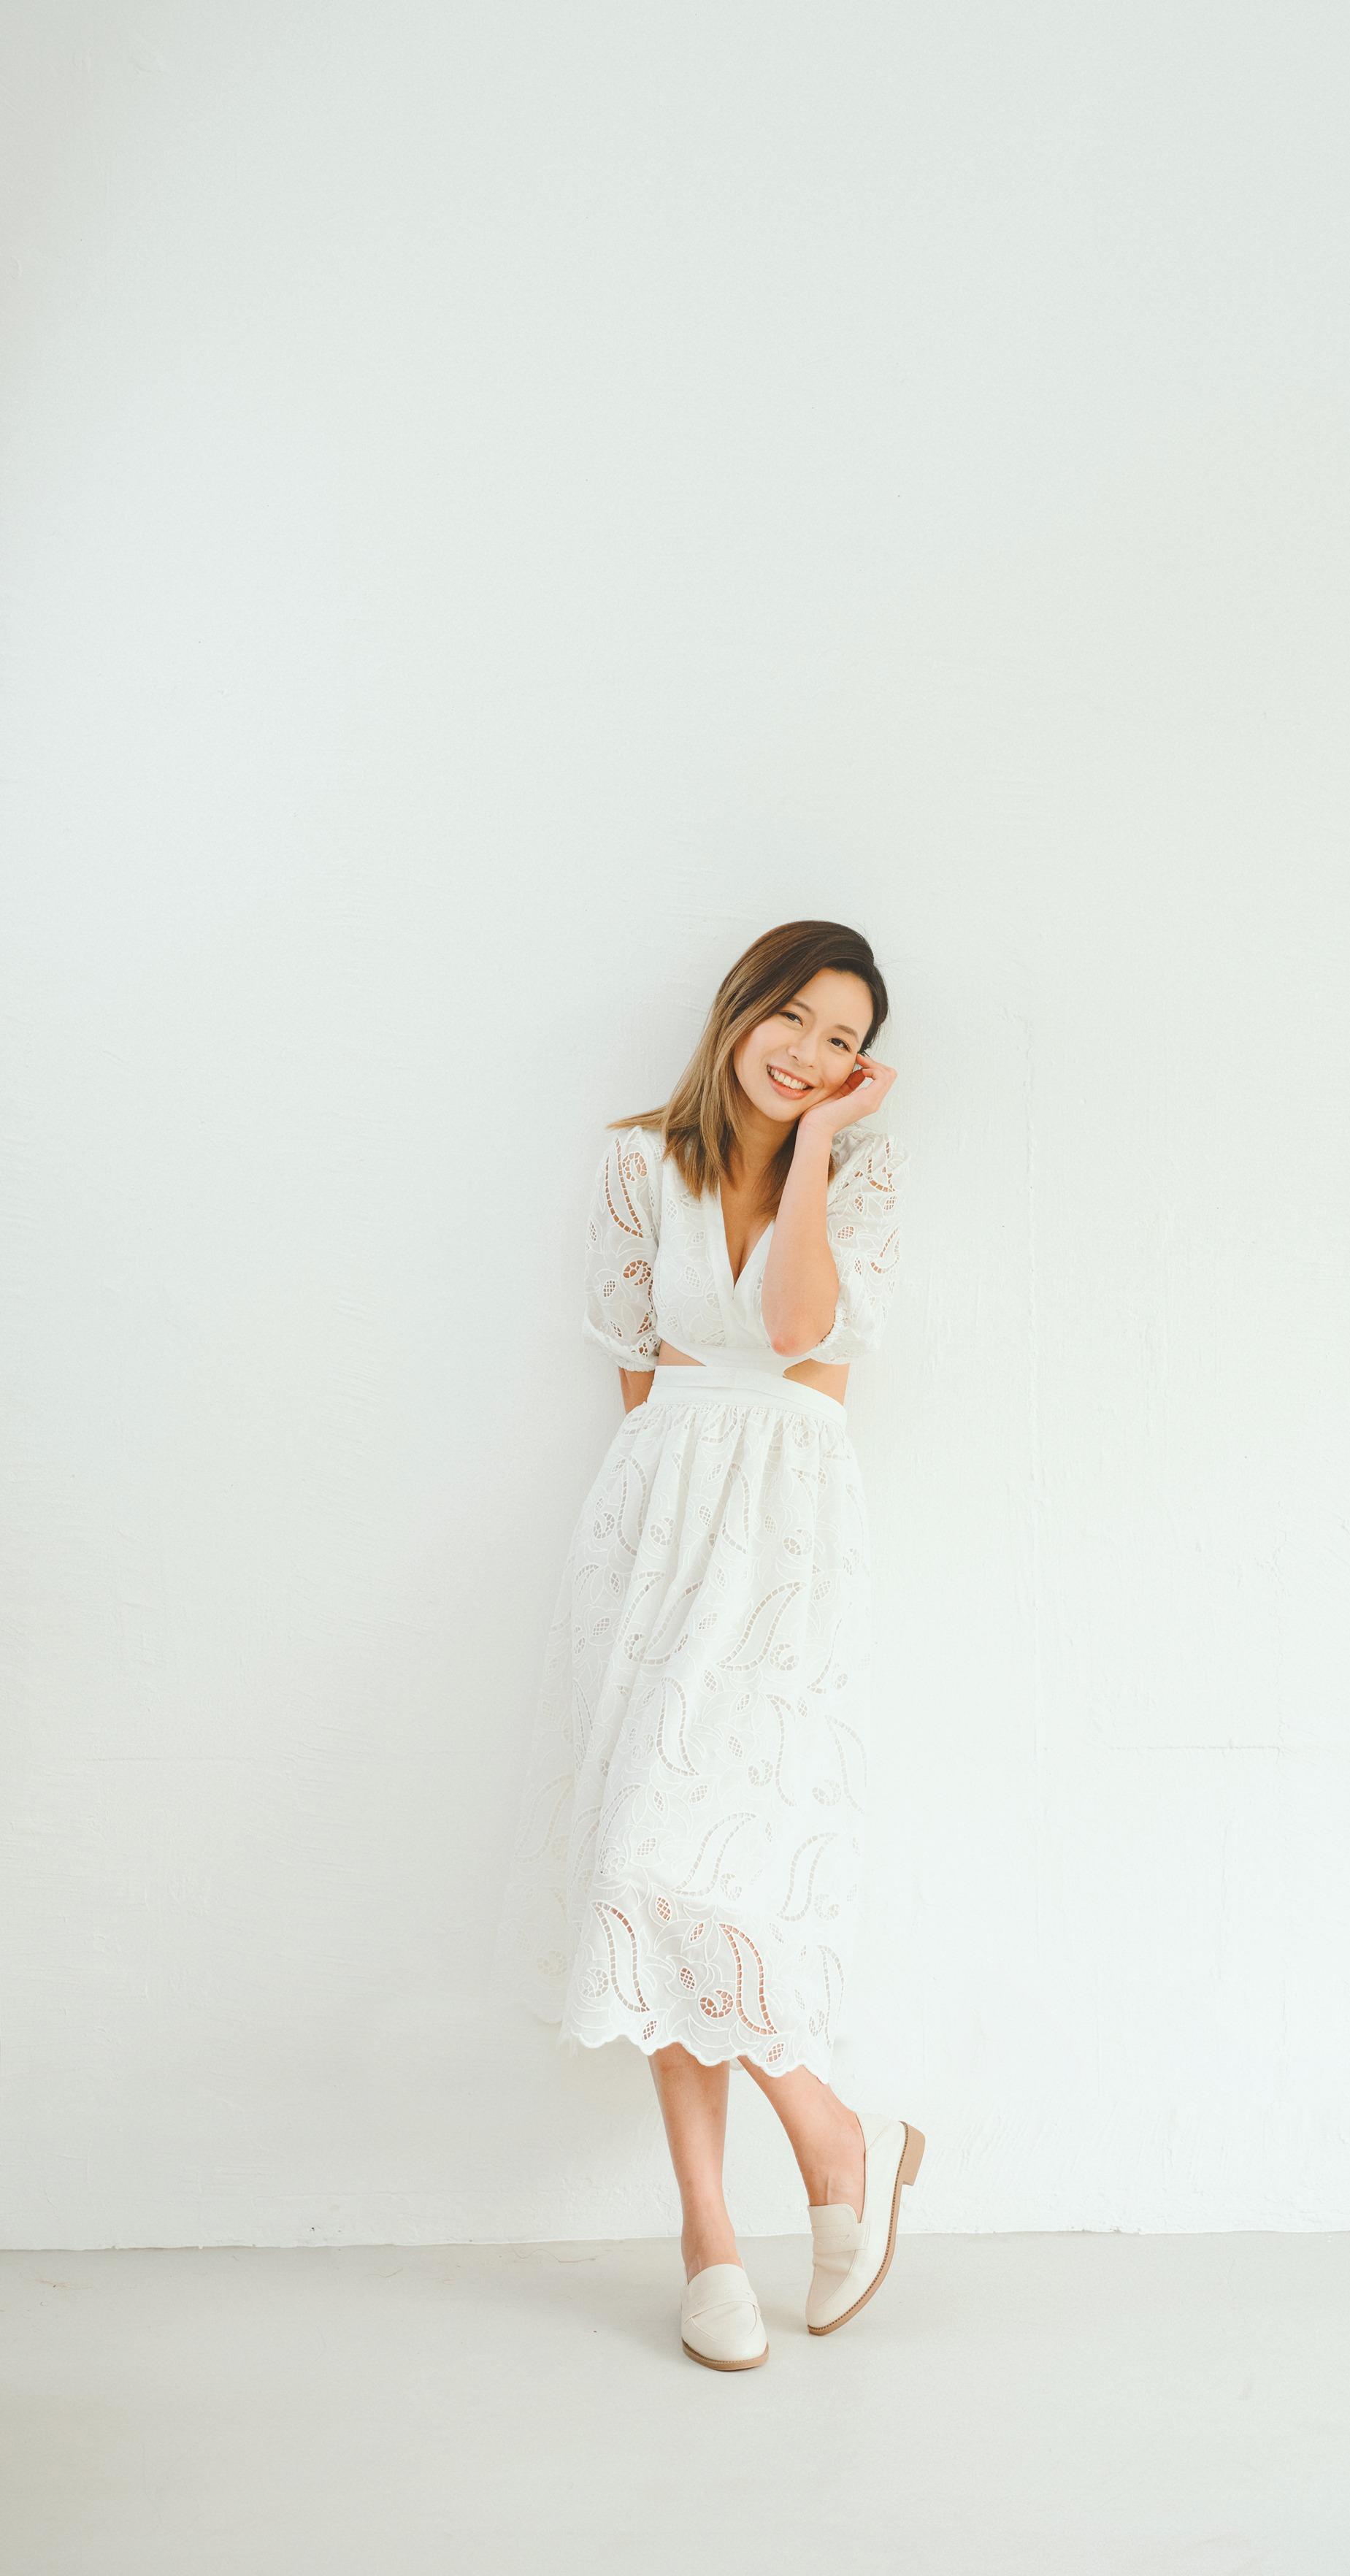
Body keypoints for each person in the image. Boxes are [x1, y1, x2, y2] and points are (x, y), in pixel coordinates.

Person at [494, 919, 922, 2371]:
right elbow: (642, 1375)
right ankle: (716, 2234)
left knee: (693, 1869)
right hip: (655, 1528)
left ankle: (833, 2141)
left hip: (790, 1544)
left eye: (843, 1042)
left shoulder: (860, 1175)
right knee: (640, 1867)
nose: (810, 1054)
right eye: (793, 1018)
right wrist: (653, 1544)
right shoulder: (639, 1163)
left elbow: (799, 1331)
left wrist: (815, 1150)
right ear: (742, 1009)